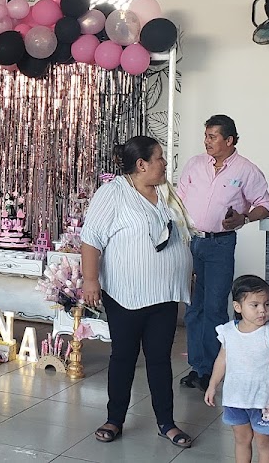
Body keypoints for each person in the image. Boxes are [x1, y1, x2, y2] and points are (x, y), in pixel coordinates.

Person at [81, 135, 197, 448]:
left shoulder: (166, 192)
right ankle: (114, 419)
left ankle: (166, 423)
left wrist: (187, 270)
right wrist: (90, 280)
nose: (165, 163)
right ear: (142, 164)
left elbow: (181, 234)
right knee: (124, 356)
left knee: (160, 359)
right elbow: (91, 238)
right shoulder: (114, 193)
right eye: (160, 157)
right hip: (126, 294)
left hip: (164, 294)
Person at [178, 114, 269, 391]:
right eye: (206, 136)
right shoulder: (195, 164)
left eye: (212, 137)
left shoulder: (246, 170)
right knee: (193, 307)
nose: (206, 141)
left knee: (215, 308)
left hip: (220, 244)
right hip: (191, 242)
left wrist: (244, 217)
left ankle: (213, 369)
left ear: (229, 140)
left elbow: (265, 205)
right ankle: (197, 366)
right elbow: (178, 200)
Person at [204, 275, 269, 463]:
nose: (262, 310)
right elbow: (222, 360)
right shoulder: (228, 332)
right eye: (255, 305)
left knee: (264, 443)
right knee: (241, 440)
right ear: (238, 307)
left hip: (263, 401)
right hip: (235, 399)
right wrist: (212, 385)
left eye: (266, 304)